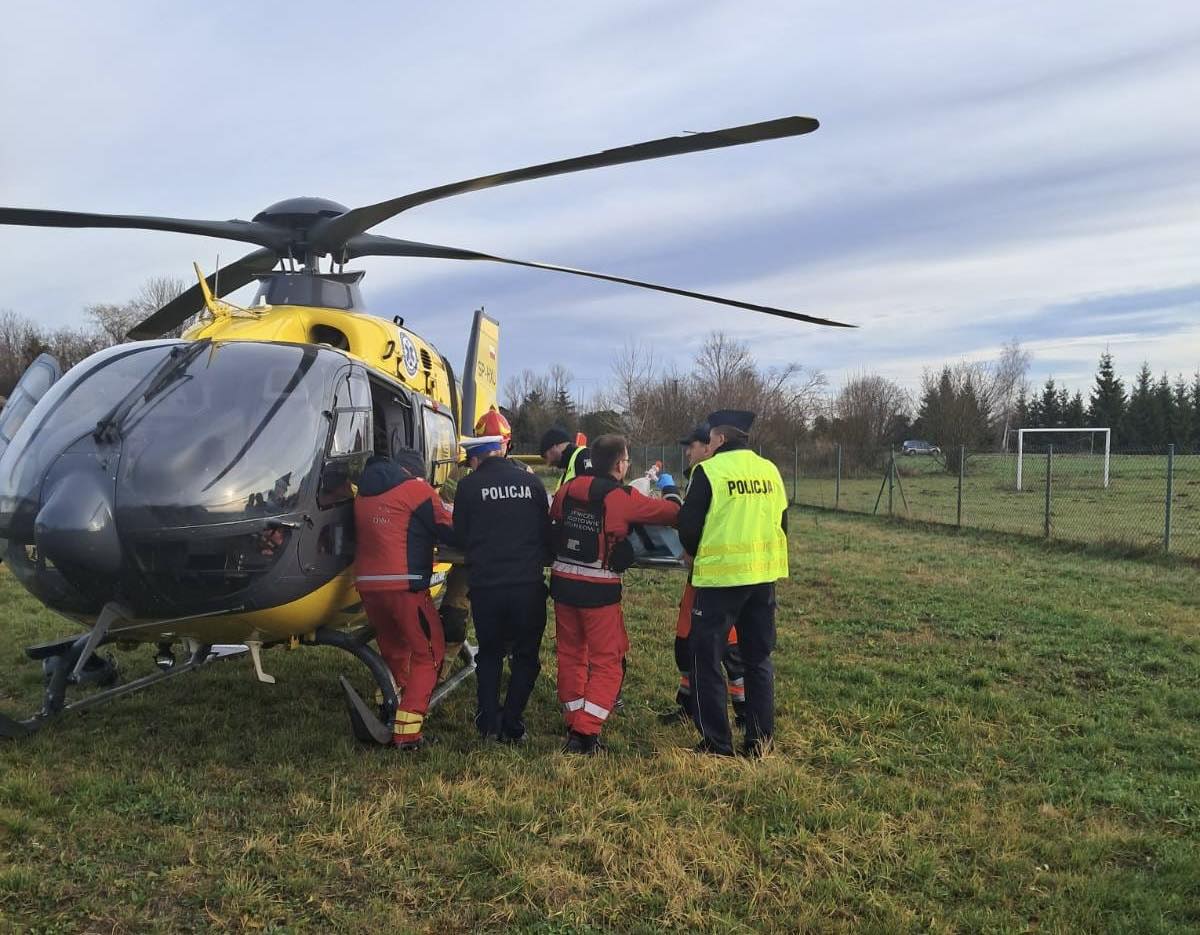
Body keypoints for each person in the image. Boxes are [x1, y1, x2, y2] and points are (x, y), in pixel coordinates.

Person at [550, 433, 682, 754]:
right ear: (621, 464)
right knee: (608, 662)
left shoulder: (566, 490)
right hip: (599, 591)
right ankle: (585, 733)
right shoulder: (620, 497)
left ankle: (574, 718)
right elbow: (670, 514)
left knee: (570, 655)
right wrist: (672, 492)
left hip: (563, 584)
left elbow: (553, 522)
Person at [677, 410, 788, 758]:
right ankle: (759, 741)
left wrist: (693, 556)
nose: (707, 446)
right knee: (758, 658)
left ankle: (716, 742)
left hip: (720, 579)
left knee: (705, 657)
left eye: (709, 440)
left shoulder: (708, 471)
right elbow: (782, 521)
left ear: (720, 439)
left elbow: (688, 525)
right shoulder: (770, 470)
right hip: (763, 576)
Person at [353, 449, 457, 751]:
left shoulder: (363, 495)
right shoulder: (416, 490)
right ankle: (408, 733)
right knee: (430, 653)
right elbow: (448, 529)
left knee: (394, 649)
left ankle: (389, 706)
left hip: (368, 588)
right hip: (405, 586)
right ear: (414, 473)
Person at [452, 433, 552, 743]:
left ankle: (488, 724)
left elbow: (460, 535)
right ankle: (513, 722)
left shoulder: (468, 487)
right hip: (527, 586)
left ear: (475, 459)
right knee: (525, 656)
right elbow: (545, 531)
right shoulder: (532, 483)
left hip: (487, 587)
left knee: (490, 654)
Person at [660, 423, 746, 728]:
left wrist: (669, 494)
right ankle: (689, 703)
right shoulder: (710, 474)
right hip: (708, 574)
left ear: (709, 446)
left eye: (693, 445)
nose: (688, 451)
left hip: (713, 574)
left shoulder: (709, 474)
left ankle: (741, 710)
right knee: (686, 643)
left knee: (725, 646)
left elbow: (689, 520)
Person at [439, 407, 534, 681]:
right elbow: (449, 511)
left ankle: (515, 672)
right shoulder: (463, 475)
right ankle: (439, 673)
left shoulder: (522, 474)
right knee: (454, 617)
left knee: (507, 624)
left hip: (500, 564)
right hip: (474, 562)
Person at [540, 427, 592, 492]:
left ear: (554, 447)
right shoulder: (567, 471)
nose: (548, 463)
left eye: (546, 456)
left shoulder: (583, 456)